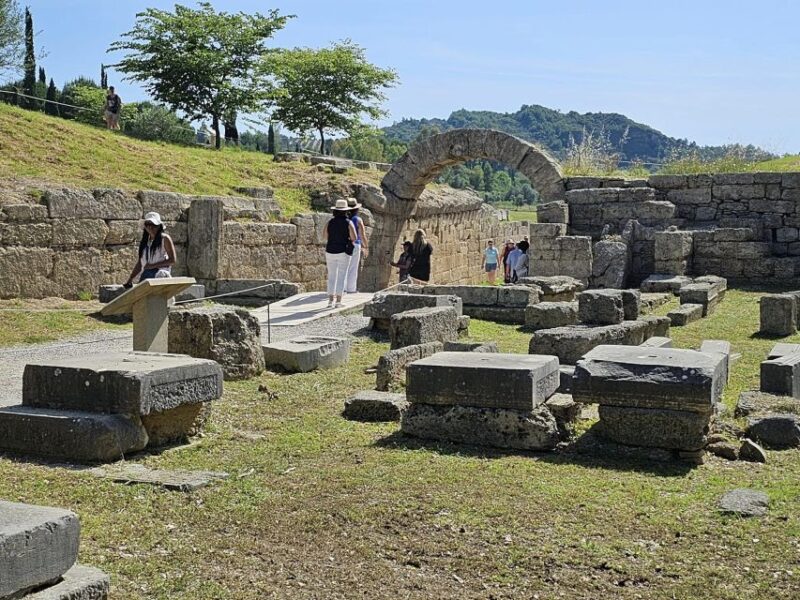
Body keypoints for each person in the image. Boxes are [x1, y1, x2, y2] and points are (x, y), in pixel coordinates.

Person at [123, 212, 175, 288]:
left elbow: (172, 260)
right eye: (148, 224)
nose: (150, 227)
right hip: (147, 274)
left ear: (159, 226)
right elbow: (140, 263)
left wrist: (152, 266)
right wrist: (130, 279)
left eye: (153, 225)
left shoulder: (165, 239)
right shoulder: (145, 242)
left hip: (160, 275)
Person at [323, 199, 357, 308]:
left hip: (330, 251)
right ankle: (338, 301)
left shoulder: (330, 222)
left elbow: (324, 236)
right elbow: (354, 237)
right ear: (346, 211)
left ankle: (329, 301)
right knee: (342, 275)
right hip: (343, 251)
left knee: (332, 275)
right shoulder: (348, 222)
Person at [344, 198, 368, 293]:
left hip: (345, 244)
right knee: (353, 267)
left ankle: (343, 288)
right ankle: (351, 288)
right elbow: (362, 234)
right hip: (355, 244)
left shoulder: (345, 219)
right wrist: (366, 246)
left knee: (344, 266)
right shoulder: (358, 219)